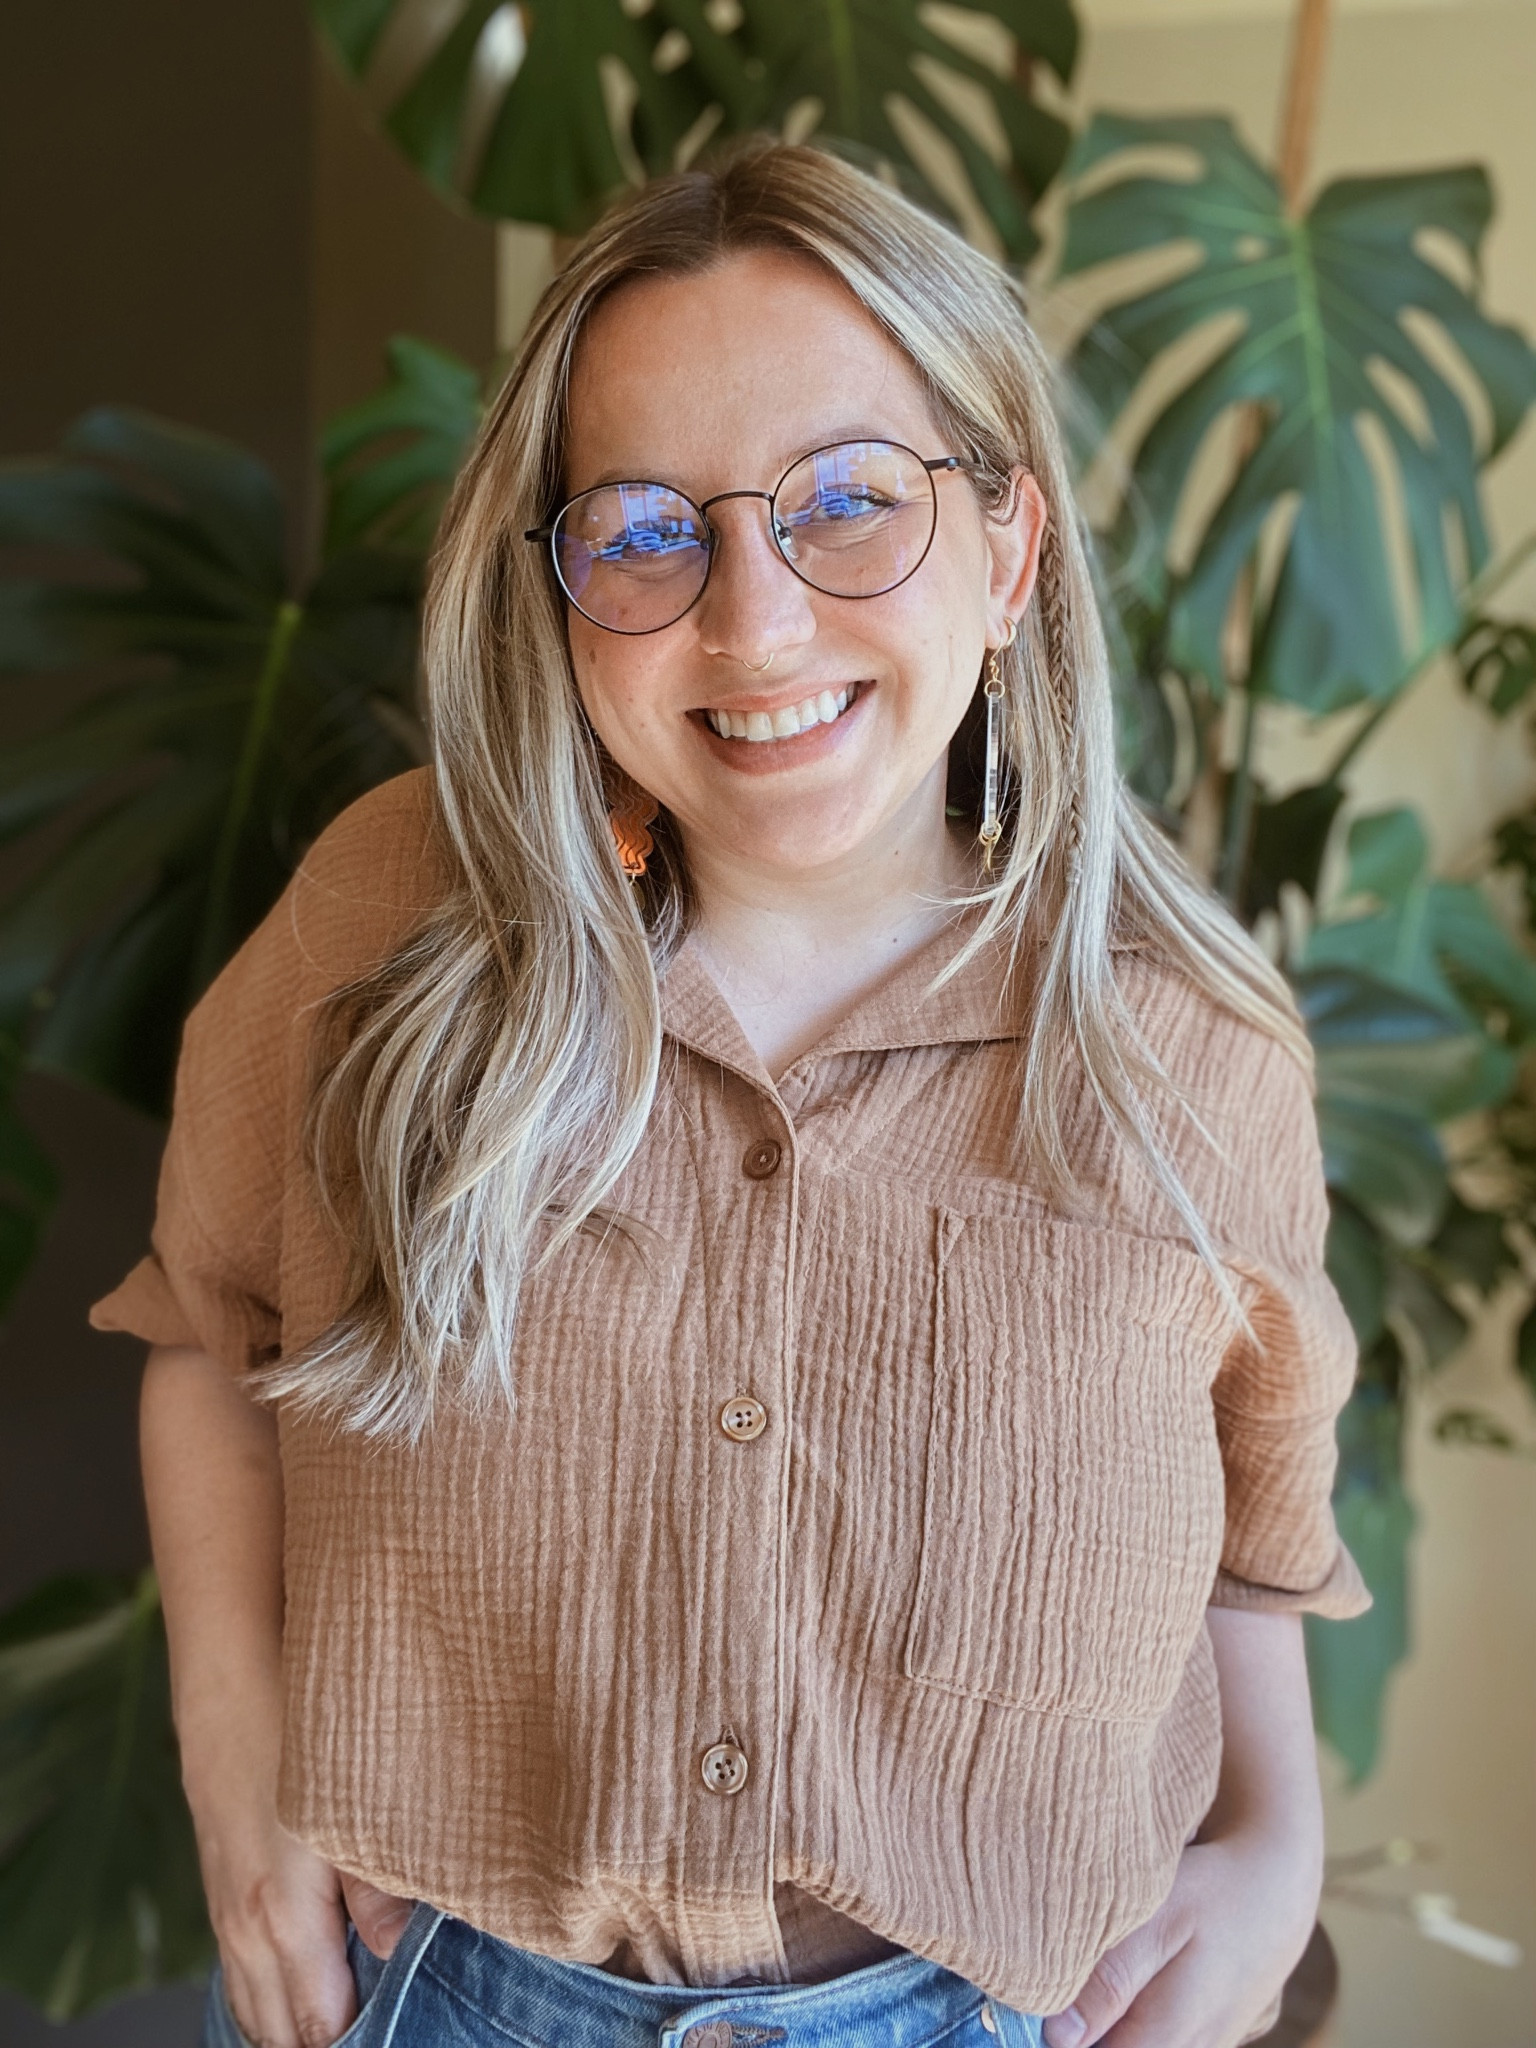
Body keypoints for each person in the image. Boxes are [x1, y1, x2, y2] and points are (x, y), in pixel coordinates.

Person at [91, 140, 1368, 2048]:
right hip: (440, 1992)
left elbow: (1251, 1551)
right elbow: (207, 1336)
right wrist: (231, 1765)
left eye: (850, 502)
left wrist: (1279, 1850)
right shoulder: (385, 922)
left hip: (993, 2010)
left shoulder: (1198, 1051)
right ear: (558, 582)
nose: (753, 622)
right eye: (642, 530)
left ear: (1008, 552)